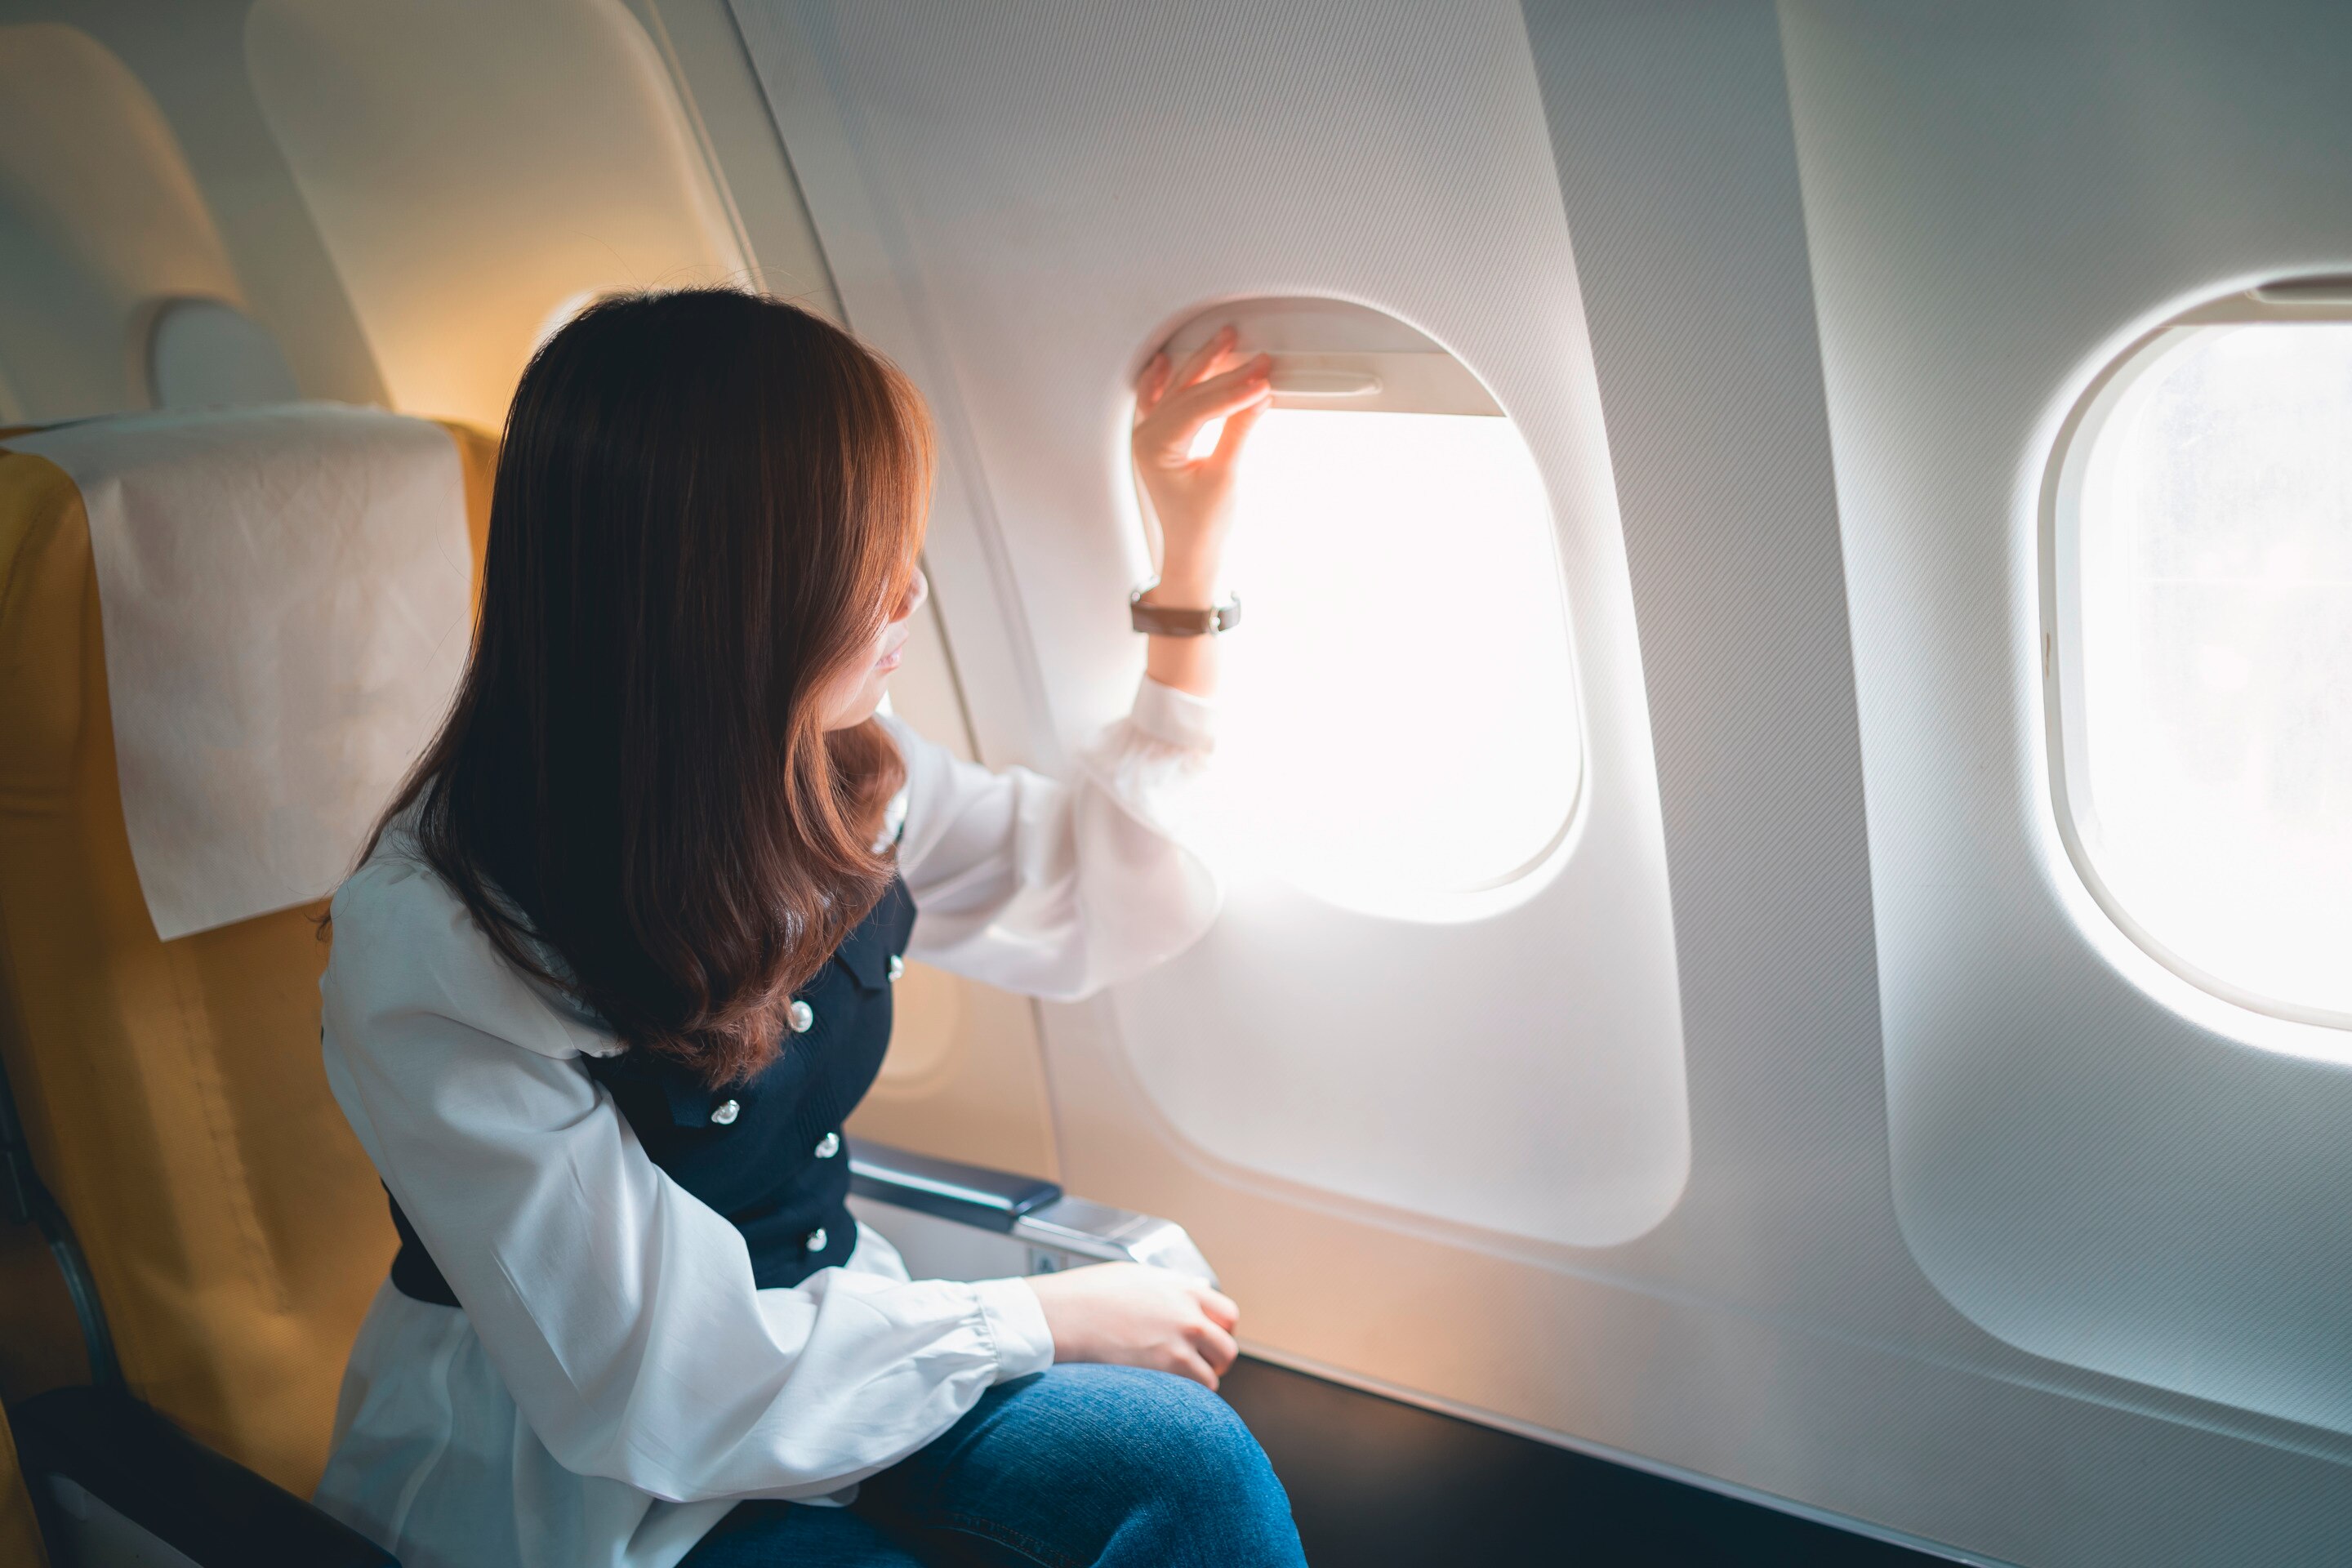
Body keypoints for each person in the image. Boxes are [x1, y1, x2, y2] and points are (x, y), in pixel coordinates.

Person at [311, 289, 1306, 1568]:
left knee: (1189, 1467)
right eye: (865, 549)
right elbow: (653, 1384)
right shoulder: (444, 940)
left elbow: (1094, 891)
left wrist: (1190, 562)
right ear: (723, 589)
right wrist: (1038, 1320)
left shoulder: (823, 775)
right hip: (587, 1481)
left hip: (839, 1347)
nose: (912, 585)